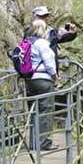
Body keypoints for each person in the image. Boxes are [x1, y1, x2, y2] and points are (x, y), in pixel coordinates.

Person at [23, 18, 57, 152]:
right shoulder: (42, 43)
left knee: (34, 111)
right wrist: (54, 76)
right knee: (45, 110)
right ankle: (44, 143)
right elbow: (49, 62)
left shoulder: (27, 42)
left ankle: (34, 143)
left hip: (30, 80)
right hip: (43, 80)